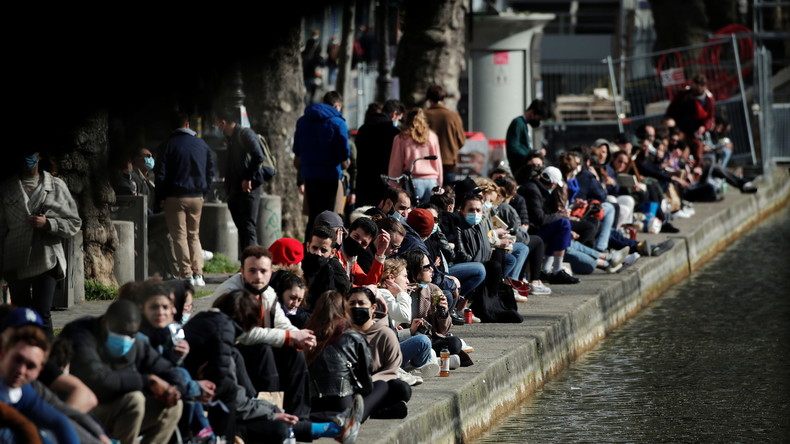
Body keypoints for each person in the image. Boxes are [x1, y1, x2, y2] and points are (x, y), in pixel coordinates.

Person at [60, 299, 185, 444]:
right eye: (120, 332)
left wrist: (175, 389)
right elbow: (98, 379)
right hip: (84, 411)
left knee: (174, 405)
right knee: (134, 400)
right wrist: (147, 381)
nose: (125, 339)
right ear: (105, 322)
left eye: (131, 334)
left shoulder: (136, 342)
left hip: (116, 411)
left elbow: (164, 367)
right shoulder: (81, 335)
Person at [212, 246, 315, 419]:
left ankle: (299, 418)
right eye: (252, 271)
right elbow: (243, 334)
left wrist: (301, 337)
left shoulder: (267, 292)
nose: (258, 276)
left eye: (263, 271)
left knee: (294, 352)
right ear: (242, 272)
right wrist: (290, 336)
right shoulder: (230, 293)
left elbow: (282, 323)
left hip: (255, 350)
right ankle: (271, 415)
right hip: (231, 354)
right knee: (264, 350)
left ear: (270, 272)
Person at [0, 152, 82, 336]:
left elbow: (74, 222)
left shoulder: (55, 185)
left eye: (31, 152)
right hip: (15, 256)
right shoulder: (6, 188)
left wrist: (49, 223)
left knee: (42, 311)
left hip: (47, 256)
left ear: (39, 156)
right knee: (20, 312)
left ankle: (48, 357)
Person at [0, 307, 80, 444]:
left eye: (30, 366)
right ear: (3, 353)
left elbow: (59, 422)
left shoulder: (22, 390)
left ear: (40, 371)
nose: (21, 370)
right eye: (17, 360)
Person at [155, 111, 214, 287]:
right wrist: (204, 191)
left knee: (179, 236)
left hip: (174, 197)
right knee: (194, 235)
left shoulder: (167, 145)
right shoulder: (201, 144)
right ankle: (199, 275)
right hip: (196, 196)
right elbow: (210, 170)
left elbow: (160, 174)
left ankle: (186, 274)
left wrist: (161, 196)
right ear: (187, 124)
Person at [303, 290, 370, 444]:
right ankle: (352, 418)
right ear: (343, 309)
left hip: (314, 402)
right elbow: (365, 380)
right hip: (342, 400)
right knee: (384, 387)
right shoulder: (353, 336)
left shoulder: (307, 333)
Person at [345, 287, 412, 420]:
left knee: (402, 389)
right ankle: (371, 410)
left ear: (373, 308)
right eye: (352, 304)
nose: (357, 307)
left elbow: (391, 369)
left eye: (361, 303)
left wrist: (370, 381)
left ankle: (367, 409)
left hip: (378, 384)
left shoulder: (385, 334)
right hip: (349, 386)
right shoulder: (343, 334)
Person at [293, 91, 352, 241]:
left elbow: (297, 149)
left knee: (313, 215)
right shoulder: (338, 122)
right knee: (329, 215)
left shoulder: (302, 121)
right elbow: (344, 152)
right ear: (336, 106)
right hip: (330, 174)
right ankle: (327, 249)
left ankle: (308, 248)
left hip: (310, 174)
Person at [215, 108, 266, 256]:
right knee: (243, 229)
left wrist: (248, 178)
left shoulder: (245, 134)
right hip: (235, 190)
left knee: (248, 228)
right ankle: (245, 264)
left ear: (222, 122)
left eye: (217, 124)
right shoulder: (231, 138)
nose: (217, 128)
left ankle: (252, 262)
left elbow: (258, 156)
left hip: (247, 189)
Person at [355, 99, 405, 207]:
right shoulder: (394, 133)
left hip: (364, 179)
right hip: (384, 181)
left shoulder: (363, 129)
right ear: (394, 114)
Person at [388, 108, 443, 204]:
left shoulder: (401, 138)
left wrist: (394, 186)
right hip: (432, 181)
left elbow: (396, 164)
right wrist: (439, 182)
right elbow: (438, 162)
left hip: (413, 182)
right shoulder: (432, 137)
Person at [665, 74, 715, 161]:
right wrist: (669, 120)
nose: (698, 88)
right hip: (680, 129)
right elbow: (672, 109)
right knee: (682, 148)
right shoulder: (684, 94)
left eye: (700, 86)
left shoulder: (708, 99)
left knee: (697, 150)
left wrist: (703, 127)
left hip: (695, 132)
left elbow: (709, 118)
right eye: (696, 85)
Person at [423, 85, 466, 185]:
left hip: (427, 163)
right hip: (448, 163)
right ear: (443, 99)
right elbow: (461, 141)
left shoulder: (423, 116)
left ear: (429, 100)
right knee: (447, 196)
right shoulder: (453, 116)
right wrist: (451, 149)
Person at [506, 99, 550, 174]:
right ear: (532, 112)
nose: (538, 121)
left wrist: (536, 153)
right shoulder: (518, 123)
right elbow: (513, 147)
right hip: (519, 168)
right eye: (538, 118)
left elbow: (524, 147)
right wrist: (532, 156)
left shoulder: (523, 124)